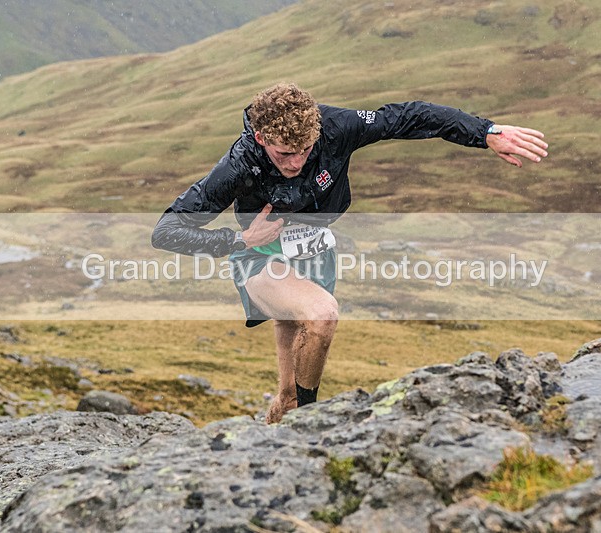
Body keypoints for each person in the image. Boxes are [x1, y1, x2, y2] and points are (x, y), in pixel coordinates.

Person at [152, 82, 548, 423]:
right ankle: (311, 418)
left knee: (287, 387)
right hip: (258, 254)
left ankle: (284, 416)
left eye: (305, 150)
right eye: (283, 154)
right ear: (260, 139)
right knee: (322, 316)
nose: (296, 163)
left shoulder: (338, 128)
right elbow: (166, 231)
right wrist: (238, 241)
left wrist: (485, 132)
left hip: (314, 249)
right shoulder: (239, 164)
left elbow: (412, 116)